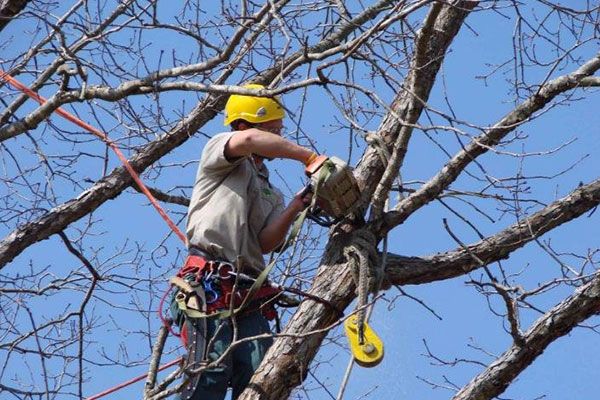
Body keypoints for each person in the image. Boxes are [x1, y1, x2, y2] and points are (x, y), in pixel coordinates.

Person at [173, 83, 321, 400]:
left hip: (248, 293)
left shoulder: (271, 190)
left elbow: (266, 242)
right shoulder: (220, 153)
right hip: (209, 283)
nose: (278, 139)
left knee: (260, 376)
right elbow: (249, 141)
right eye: (273, 131)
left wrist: (299, 203)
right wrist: (308, 156)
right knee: (209, 375)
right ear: (243, 124)